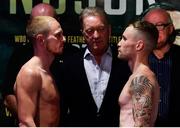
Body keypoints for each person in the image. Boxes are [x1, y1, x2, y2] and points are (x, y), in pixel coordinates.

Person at [59, 7, 130, 127]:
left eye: (101, 29)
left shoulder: (125, 62)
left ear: (109, 30)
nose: (96, 35)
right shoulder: (69, 64)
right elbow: (62, 107)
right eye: (90, 30)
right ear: (82, 33)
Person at [14, 16, 65, 127]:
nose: (64, 39)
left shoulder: (48, 71)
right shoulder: (30, 73)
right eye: (58, 35)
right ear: (41, 40)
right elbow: (26, 122)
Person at [117, 20, 160, 127]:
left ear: (139, 45)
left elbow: (142, 125)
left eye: (124, 39)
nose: (119, 43)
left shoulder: (141, 78)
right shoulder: (138, 76)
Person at [143, 8, 180, 126]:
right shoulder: (135, 59)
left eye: (159, 26)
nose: (154, 31)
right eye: (149, 26)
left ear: (170, 28)